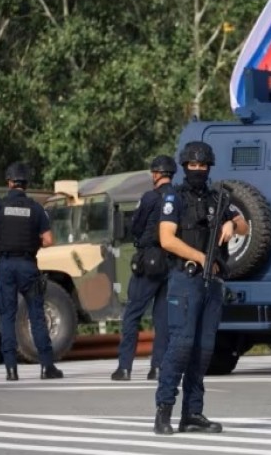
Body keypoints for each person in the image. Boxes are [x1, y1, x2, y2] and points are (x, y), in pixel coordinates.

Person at [153, 141, 247, 435]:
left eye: (202, 166)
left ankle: (192, 413)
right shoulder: (174, 198)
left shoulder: (217, 198)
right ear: (184, 167)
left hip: (213, 284)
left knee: (204, 350)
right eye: (192, 166)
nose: (197, 170)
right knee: (181, 346)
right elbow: (167, 239)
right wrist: (200, 257)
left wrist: (232, 225)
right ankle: (163, 411)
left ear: (209, 167)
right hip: (186, 279)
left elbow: (244, 224)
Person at [0, 162, 64, 381]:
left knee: (7, 316)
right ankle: (47, 367)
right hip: (27, 266)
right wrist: (30, 241)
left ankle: (11, 369)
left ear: (9, 182)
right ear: (26, 183)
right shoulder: (36, 208)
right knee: (36, 315)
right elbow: (48, 240)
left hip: (5, 266)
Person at [111, 155, 177, 381]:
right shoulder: (179, 198)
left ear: (157, 174)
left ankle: (125, 368)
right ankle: (157, 367)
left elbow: (136, 226)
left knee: (132, 315)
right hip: (172, 261)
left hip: (149, 261)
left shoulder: (149, 198)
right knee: (163, 318)